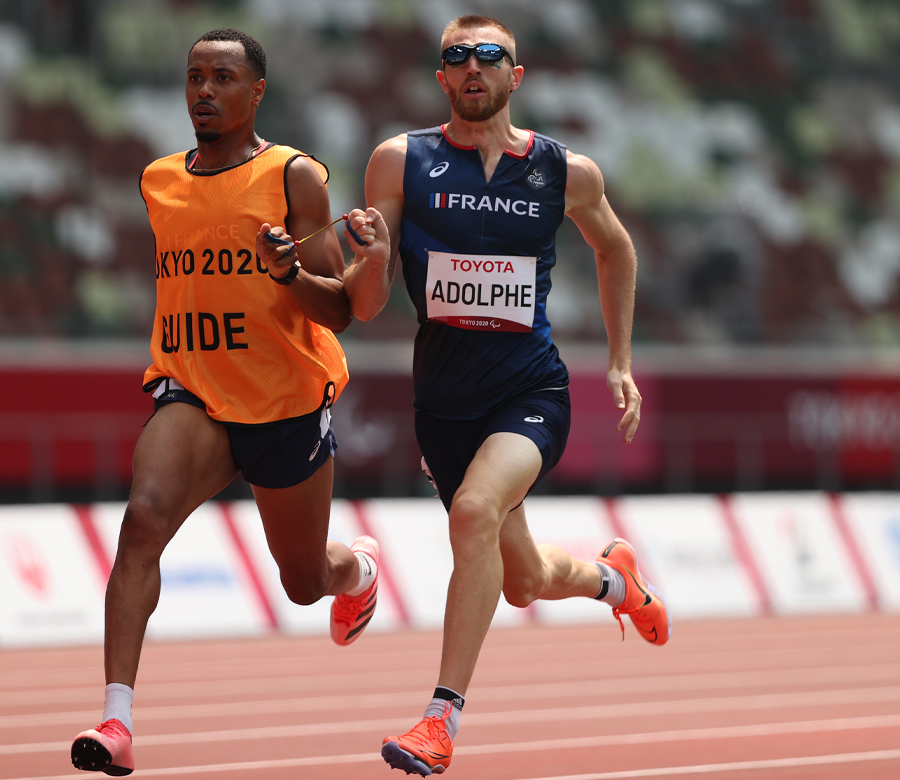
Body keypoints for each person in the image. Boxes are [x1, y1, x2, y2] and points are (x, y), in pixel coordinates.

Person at [342, 15, 672, 777]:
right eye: (456, 57)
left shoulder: (565, 172)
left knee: (474, 512)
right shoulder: (401, 162)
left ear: (514, 77)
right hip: (445, 405)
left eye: (489, 56)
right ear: (442, 79)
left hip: (531, 391)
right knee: (522, 579)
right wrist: (370, 257)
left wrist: (620, 360)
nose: (472, 68)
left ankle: (440, 718)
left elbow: (615, 247)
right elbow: (366, 305)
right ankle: (614, 579)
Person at [70, 29, 382, 776]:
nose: (203, 91)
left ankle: (357, 573)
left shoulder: (293, 176)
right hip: (194, 391)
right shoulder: (157, 180)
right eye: (193, 78)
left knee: (304, 583)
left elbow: (337, 311)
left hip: (285, 402)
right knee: (143, 520)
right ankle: (117, 721)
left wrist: (284, 273)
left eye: (222, 78)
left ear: (257, 92)